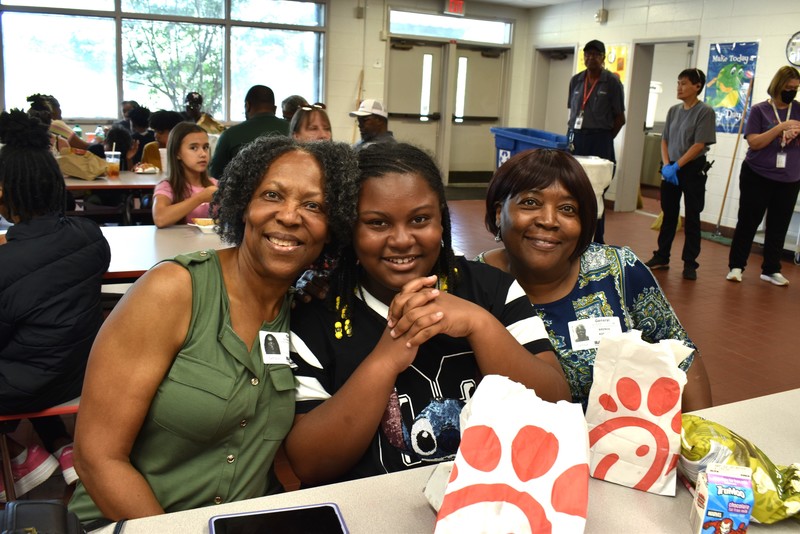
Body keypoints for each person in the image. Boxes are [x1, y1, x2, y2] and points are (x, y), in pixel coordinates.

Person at [68, 136, 359, 522]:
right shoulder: (173, 293)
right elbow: (96, 458)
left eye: (313, 205)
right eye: (272, 196)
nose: (290, 216)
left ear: (331, 227)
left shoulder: (306, 315)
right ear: (243, 206)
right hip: (131, 523)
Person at [286, 143, 570, 486]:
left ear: (442, 220)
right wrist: (385, 360)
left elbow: (556, 404)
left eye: (420, 219)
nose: (402, 240)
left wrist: (481, 325)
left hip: (492, 505)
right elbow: (309, 464)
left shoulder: (493, 291)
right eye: (377, 223)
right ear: (349, 228)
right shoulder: (314, 315)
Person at [477, 148, 712, 412]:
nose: (549, 220)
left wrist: (704, 437)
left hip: (629, 445)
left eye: (567, 209)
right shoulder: (470, 286)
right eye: (530, 202)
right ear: (499, 213)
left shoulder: (618, 270)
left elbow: (682, 355)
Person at [0, 109, 110, 500]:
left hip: (33, 385)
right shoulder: (91, 236)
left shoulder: (7, 263)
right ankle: (63, 445)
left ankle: (20, 455)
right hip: (80, 372)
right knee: (40, 332)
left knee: (26, 345)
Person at [726, 66, 800, 286]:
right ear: (778, 86)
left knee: (779, 225)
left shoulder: (798, 109)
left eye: (796, 88)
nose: (792, 92)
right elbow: (755, 142)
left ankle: (771, 269)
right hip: (757, 174)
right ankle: (736, 266)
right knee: (748, 221)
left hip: (789, 177)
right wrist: (780, 129)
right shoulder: (760, 110)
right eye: (788, 87)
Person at [644, 68, 717, 281]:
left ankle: (690, 263)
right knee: (669, 214)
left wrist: (678, 166)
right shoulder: (673, 110)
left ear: (697, 86)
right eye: (678, 83)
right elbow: (664, 139)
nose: (679, 87)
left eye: (684, 83)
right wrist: (668, 165)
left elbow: (699, 144)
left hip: (692, 168)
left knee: (692, 216)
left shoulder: (705, 112)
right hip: (671, 168)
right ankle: (662, 256)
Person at [567, 40, 626, 244]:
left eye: (595, 54)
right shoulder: (576, 81)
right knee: (573, 188)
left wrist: (605, 139)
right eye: (587, 54)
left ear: (602, 57)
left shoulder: (612, 82)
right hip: (577, 138)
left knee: (596, 192)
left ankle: (597, 239)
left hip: (600, 139)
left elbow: (620, 118)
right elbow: (573, 112)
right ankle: (574, 234)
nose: (590, 58)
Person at [209, 85, 289, 178]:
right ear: (275, 109)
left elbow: (216, 175)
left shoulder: (230, 135)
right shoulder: (293, 130)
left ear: (247, 106)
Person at [152, 122, 216, 227]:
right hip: (177, 243)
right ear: (177, 153)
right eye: (193, 148)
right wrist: (201, 198)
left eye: (205, 147)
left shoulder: (214, 184)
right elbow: (160, 219)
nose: (203, 154)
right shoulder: (167, 186)